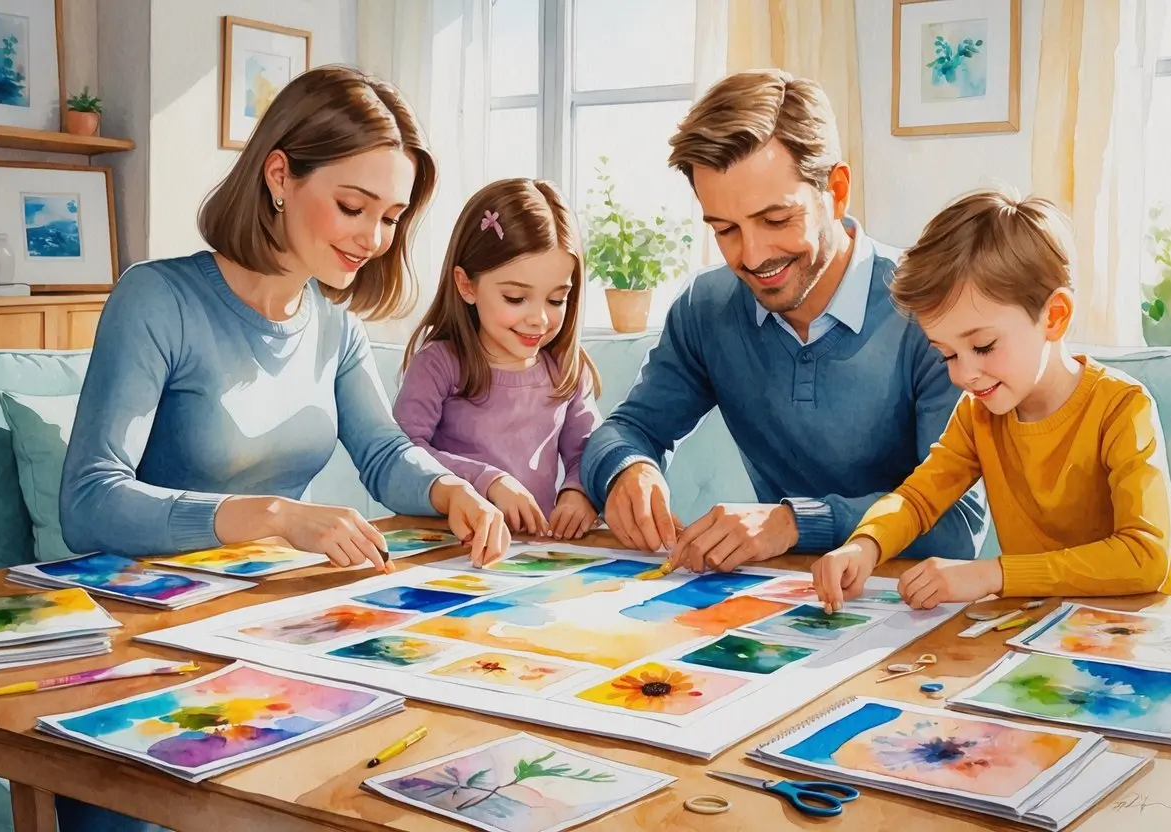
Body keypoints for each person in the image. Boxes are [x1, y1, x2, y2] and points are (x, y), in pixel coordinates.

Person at [58, 66, 509, 831]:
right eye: (352, 206)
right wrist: (271, 515)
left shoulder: (335, 327)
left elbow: (381, 452)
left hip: (264, 636)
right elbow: (88, 500)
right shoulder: (156, 298)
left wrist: (452, 491)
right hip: (146, 659)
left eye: (391, 216)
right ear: (278, 175)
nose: (372, 238)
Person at [580, 69, 987, 572]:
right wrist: (629, 468)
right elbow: (625, 429)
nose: (752, 256)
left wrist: (794, 523)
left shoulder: (934, 312)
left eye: (776, 220)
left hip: (907, 607)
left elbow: (958, 524)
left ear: (837, 192)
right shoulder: (705, 308)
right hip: (776, 606)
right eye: (726, 229)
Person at [812, 189, 1171, 612]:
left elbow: (1145, 556)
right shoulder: (978, 415)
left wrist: (994, 574)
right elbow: (918, 497)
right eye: (947, 354)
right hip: (1042, 626)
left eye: (984, 346)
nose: (964, 374)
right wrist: (866, 545)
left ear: (1055, 316)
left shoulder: (1122, 408)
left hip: (1150, 634)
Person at [394, 178, 602, 539]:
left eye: (556, 300)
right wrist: (488, 482)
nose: (539, 318)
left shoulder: (567, 368)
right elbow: (400, 454)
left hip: (532, 555)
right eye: (515, 298)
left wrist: (577, 493)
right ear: (466, 285)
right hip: (451, 549)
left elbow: (587, 452)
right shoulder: (439, 364)